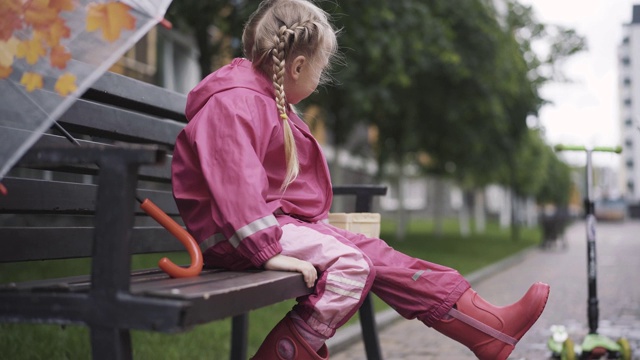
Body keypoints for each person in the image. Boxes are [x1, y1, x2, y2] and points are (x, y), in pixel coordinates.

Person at [171, 0, 550, 359]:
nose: (321, 78)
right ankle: (283, 352)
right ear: (299, 67)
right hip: (242, 237)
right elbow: (235, 186)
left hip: (267, 229)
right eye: (321, 69)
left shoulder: (263, 100)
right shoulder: (237, 102)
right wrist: (267, 253)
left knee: (377, 253)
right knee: (354, 266)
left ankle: (487, 328)